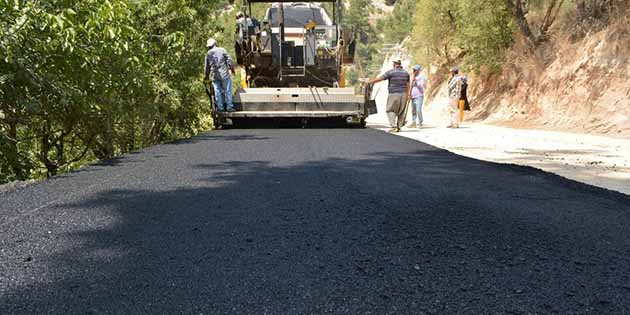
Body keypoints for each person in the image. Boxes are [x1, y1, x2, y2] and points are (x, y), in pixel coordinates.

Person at [363, 59, 410, 133]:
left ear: (394, 64)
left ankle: (393, 126)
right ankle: (399, 127)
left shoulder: (391, 72)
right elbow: (408, 85)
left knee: (390, 110)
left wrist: (368, 82)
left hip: (394, 94)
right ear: (400, 64)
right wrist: (408, 95)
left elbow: (379, 79)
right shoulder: (406, 73)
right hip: (403, 94)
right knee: (401, 111)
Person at [204, 38, 236, 112]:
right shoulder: (222, 50)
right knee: (227, 90)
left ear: (209, 46)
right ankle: (229, 107)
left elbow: (207, 67)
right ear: (215, 44)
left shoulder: (208, 54)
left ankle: (220, 108)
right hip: (224, 74)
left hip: (215, 76)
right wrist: (232, 69)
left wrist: (206, 76)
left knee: (217, 92)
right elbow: (229, 60)